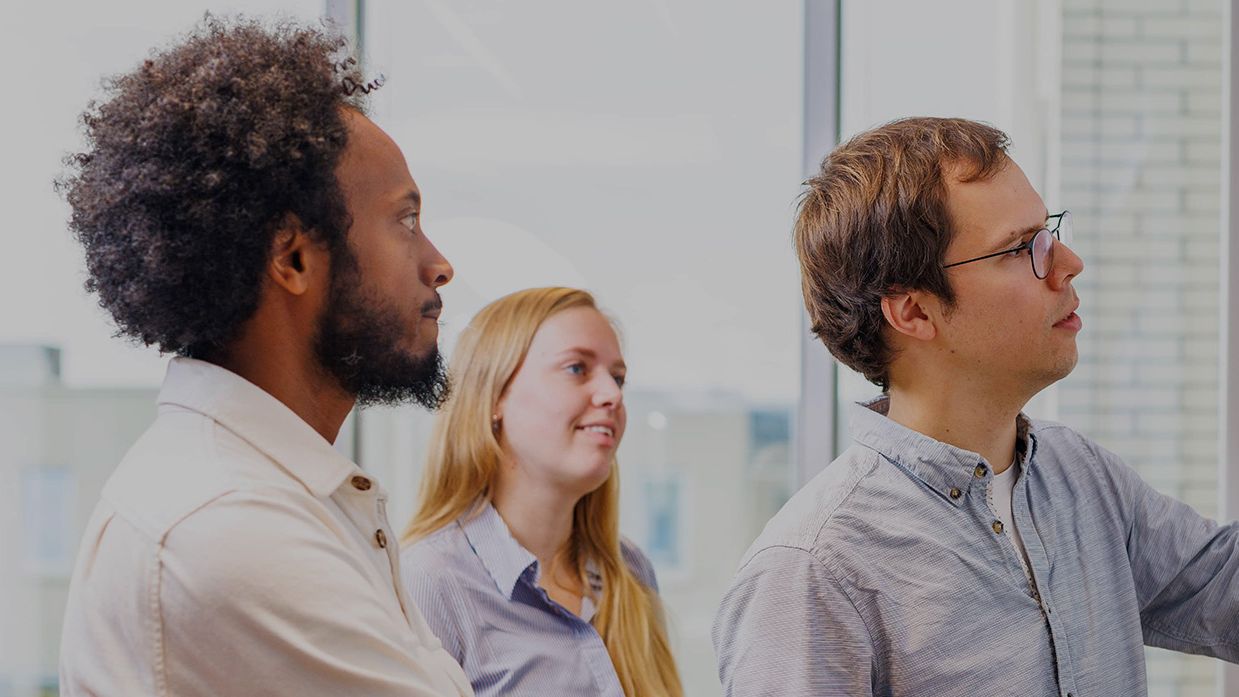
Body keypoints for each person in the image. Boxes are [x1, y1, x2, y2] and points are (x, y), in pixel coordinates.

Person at [712, 117, 1239, 696]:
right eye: (1019, 248)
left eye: (1048, 233)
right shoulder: (814, 571)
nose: (1068, 263)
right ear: (914, 312)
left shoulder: (1082, 478)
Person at [56, 16, 472, 696]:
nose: (439, 263)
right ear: (293, 258)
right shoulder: (228, 523)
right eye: (405, 220)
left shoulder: (267, 493)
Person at [401, 287, 684, 697]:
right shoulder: (429, 581)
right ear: (495, 396)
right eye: (576, 368)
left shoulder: (630, 570)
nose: (612, 395)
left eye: (618, 378)